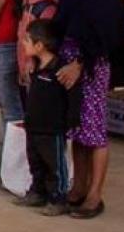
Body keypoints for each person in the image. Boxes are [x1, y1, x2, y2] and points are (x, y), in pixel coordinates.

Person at [55, 0, 123, 219]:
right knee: (76, 126)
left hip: (91, 60)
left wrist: (80, 62)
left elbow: (106, 26)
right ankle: (78, 188)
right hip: (68, 54)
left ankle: (94, 195)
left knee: (94, 129)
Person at [13, 20, 79, 217]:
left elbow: (73, 96)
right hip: (34, 125)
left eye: (27, 40)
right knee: (36, 161)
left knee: (54, 165)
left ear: (40, 45)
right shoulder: (35, 67)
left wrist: (71, 120)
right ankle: (37, 192)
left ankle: (58, 199)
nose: (23, 44)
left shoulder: (60, 69)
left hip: (53, 128)